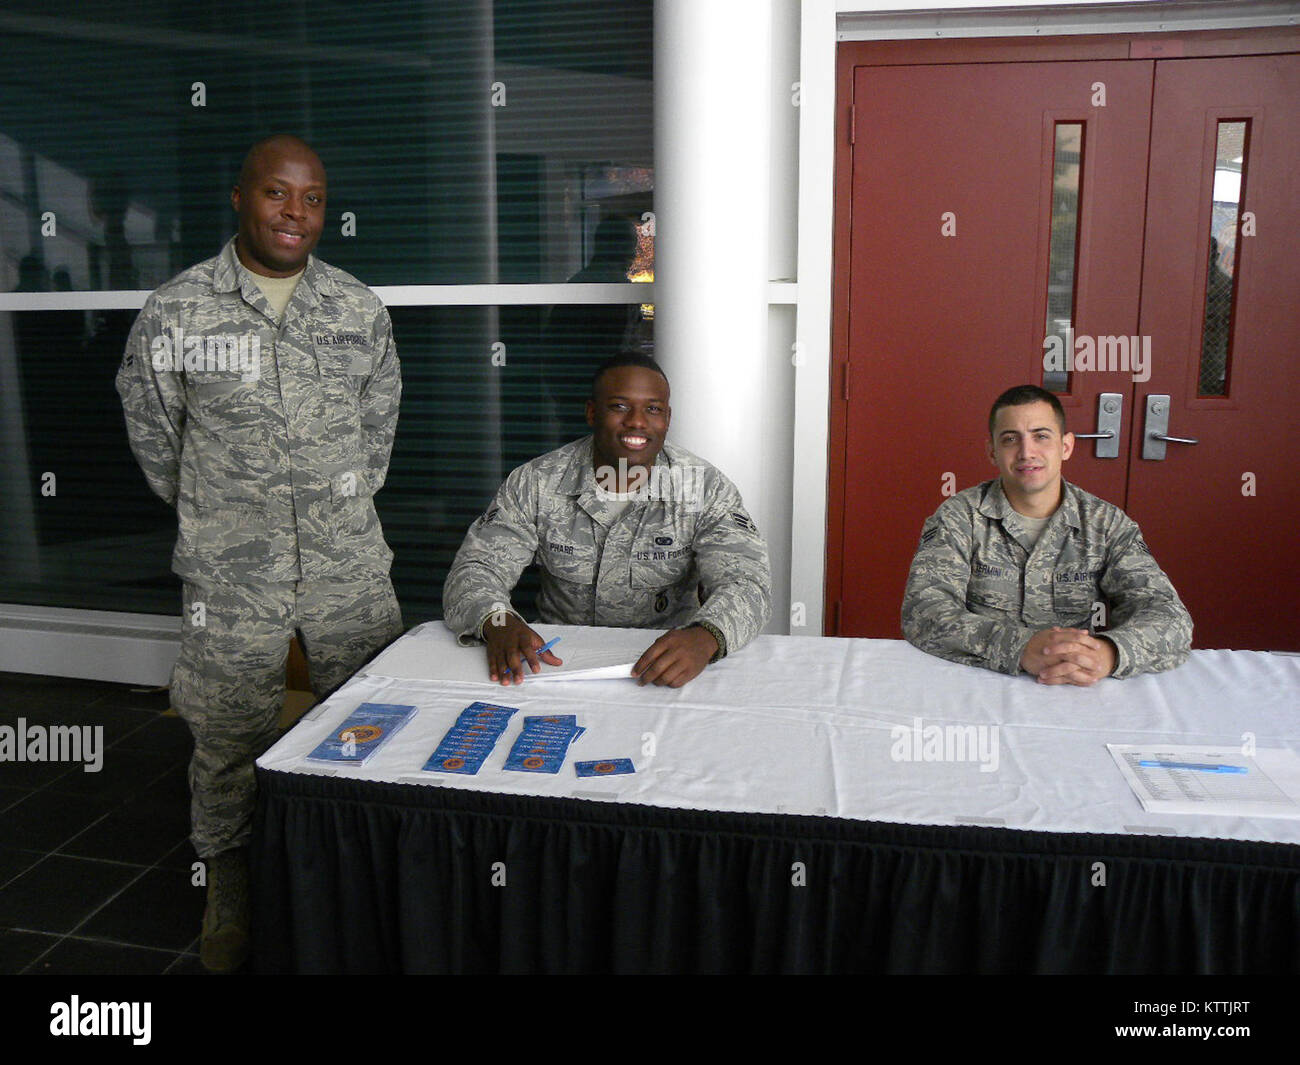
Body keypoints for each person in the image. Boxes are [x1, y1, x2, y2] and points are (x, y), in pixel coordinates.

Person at [115, 135, 403, 971]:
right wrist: (226, 512)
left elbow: (375, 434)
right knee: (227, 734)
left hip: (349, 563)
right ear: (239, 197)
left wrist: (326, 504)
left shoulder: (358, 310)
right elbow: (155, 437)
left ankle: (364, 874)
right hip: (231, 574)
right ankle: (229, 880)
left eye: (312, 199)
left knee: (371, 725)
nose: (296, 214)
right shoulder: (177, 312)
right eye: (277, 194)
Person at [443, 353, 771, 688]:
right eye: (619, 406)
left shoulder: (703, 487)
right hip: (556, 665)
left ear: (667, 418)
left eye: (653, 409)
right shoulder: (537, 481)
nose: (637, 422)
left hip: (669, 664)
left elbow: (747, 583)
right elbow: (476, 570)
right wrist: (499, 622)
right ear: (592, 412)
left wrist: (705, 638)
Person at [901, 384, 1191, 684]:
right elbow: (923, 611)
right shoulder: (959, 517)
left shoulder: (1105, 524)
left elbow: (1170, 616)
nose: (1027, 452)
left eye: (1041, 436)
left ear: (1065, 446)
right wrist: (1019, 647)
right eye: (1011, 439)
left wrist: (1108, 653)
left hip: (1077, 687)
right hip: (980, 682)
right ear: (992, 451)